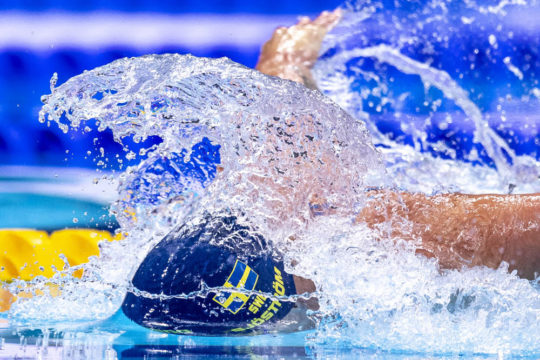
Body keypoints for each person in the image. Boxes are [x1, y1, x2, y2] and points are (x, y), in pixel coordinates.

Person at [122, 11, 538, 336]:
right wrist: (285, 61)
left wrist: (285, 59)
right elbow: (281, 139)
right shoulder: (246, 203)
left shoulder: (393, 240)